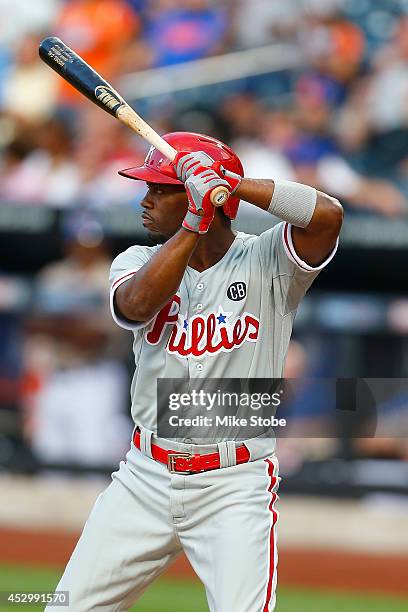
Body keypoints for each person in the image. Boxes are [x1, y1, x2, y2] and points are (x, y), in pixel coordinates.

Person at [47, 131, 342, 611]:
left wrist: (233, 184)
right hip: (145, 475)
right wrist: (194, 219)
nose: (145, 200)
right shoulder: (138, 259)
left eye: (161, 189)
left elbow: (329, 216)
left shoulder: (266, 258)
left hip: (234, 480)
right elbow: (137, 304)